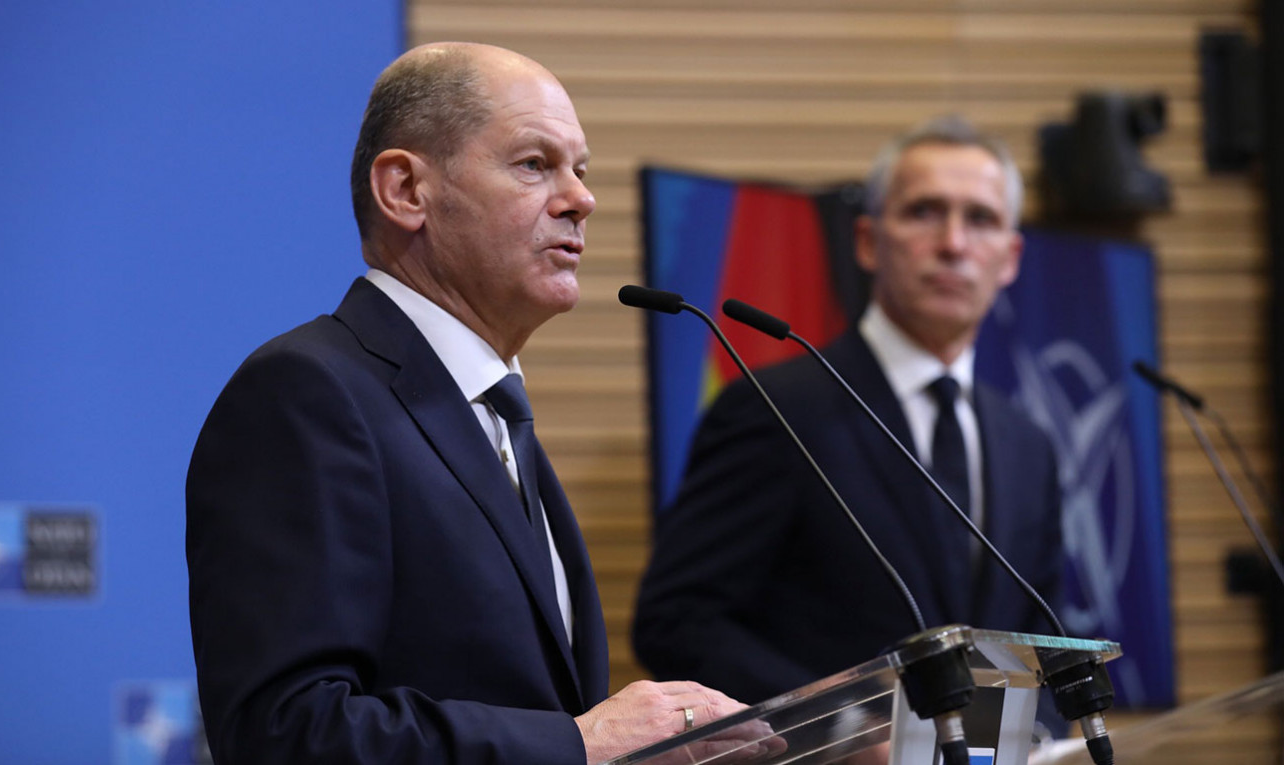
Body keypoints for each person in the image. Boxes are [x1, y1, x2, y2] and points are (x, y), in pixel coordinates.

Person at [185, 42, 748, 764]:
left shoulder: (493, 412)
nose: (581, 199)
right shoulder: (307, 395)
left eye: (580, 170)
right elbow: (286, 731)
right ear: (405, 191)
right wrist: (579, 743)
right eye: (534, 164)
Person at [632, 116, 1067, 737]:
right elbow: (678, 622)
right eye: (924, 212)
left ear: (1011, 258)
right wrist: (845, 729)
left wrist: (1037, 737)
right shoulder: (776, 408)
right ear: (867, 241)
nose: (953, 243)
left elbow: (1042, 638)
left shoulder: (1027, 444)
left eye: (980, 219)